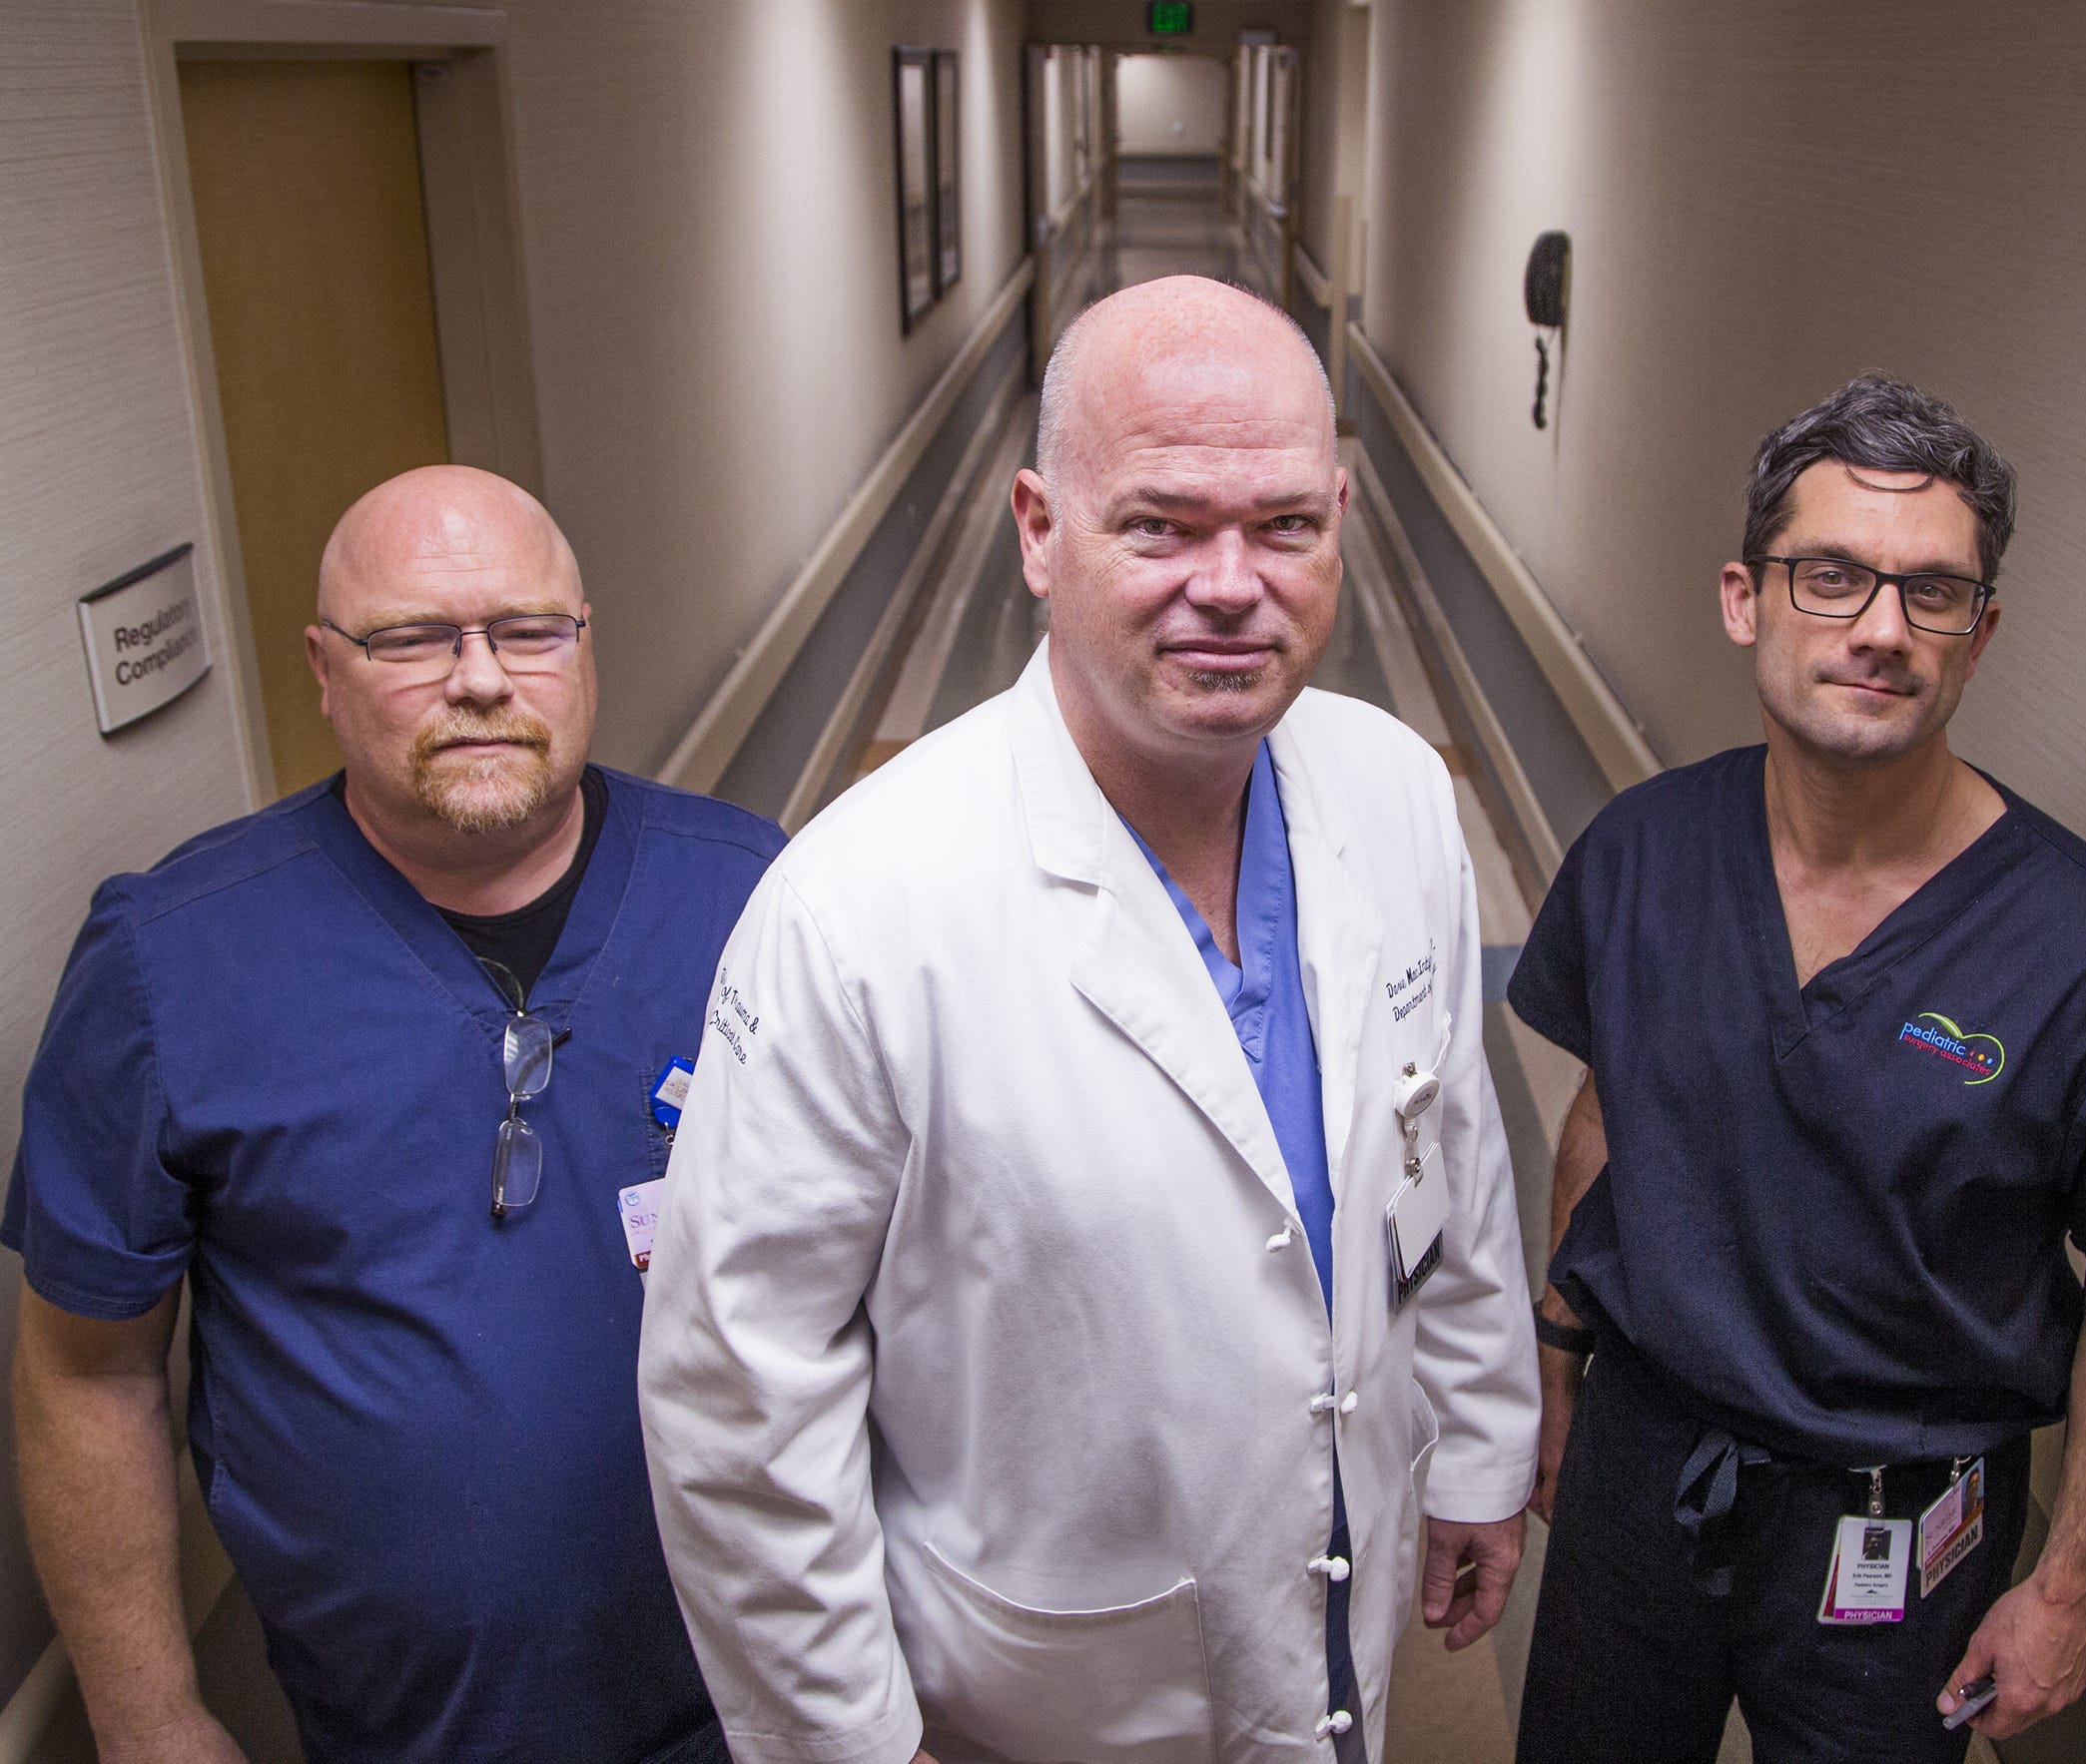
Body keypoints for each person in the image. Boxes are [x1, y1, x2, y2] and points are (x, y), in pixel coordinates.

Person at [637, 276, 1540, 1764]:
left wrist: (1478, 1450)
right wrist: (849, 1745)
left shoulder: (1390, 793)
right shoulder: (859, 906)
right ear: (1040, 531)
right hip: (1038, 1690)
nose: (1232, 583)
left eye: (1285, 526)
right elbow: (742, 1400)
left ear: (1339, 518)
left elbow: (1447, 1147)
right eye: (1162, 525)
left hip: (1338, 1605)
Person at [1508, 375, 2086, 1762]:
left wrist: (2072, 1588)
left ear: (1979, 635)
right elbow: (1609, 1111)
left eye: (1931, 595)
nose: (1878, 631)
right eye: (1832, 576)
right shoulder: (1640, 856)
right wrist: (1554, 1368)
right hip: (1638, 1467)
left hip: (1900, 1529)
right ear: (1746, 597)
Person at [8, 465, 783, 1763]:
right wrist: (148, 1717)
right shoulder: (171, 964)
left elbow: (901, 1289)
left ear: (584, 642)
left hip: (767, 1692)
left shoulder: (757, 898)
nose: (479, 679)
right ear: (322, 670)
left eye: (526, 631)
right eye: (411, 638)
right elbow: (87, 1372)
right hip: (405, 1729)